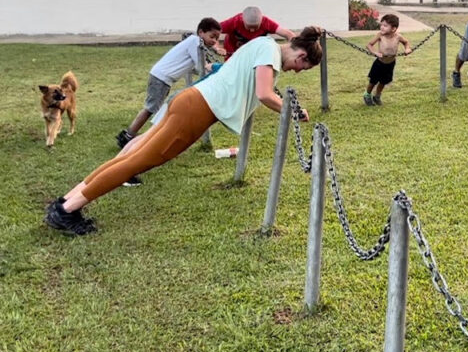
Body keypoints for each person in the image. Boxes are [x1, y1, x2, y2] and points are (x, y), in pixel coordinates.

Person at [44, 27, 324, 236]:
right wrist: (294, 111)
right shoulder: (270, 53)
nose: (298, 71)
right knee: (135, 163)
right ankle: (67, 211)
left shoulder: (263, 43)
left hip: (192, 100)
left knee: (132, 156)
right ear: (301, 54)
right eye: (303, 66)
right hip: (197, 109)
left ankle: (67, 201)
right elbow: (264, 94)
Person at [115, 18, 223, 152]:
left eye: (217, 38)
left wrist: (212, 57)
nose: (214, 41)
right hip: (161, 78)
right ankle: (129, 136)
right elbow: (201, 66)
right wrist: (216, 69)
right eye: (212, 37)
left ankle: (132, 135)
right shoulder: (195, 42)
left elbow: (196, 67)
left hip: (162, 78)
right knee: (152, 110)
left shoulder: (195, 43)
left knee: (154, 110)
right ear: (201, 32)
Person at [364, 14, 411, 106]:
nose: (382, 27)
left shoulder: (398, 36)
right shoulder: (380, 35)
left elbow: (406, 42)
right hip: (379, 63)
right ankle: (367, 95)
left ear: (393, 29)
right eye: (381, 24)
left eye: (385, 26)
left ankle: (377, 96)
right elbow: (369, 45)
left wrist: (407, 49)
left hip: (390, 63)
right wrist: (375, 53)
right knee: (373, 81)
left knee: (383, 81)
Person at [220, 6, 296, 59]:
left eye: (256, 27)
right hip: (233, 53)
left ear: (261, 21)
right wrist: (218, 47)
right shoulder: (235, 21)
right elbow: (215, 30)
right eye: (249, 27)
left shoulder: (266, 23)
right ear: (243, 20)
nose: (252, 31)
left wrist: (293, 49)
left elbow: (288, 34)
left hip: (254, 54)